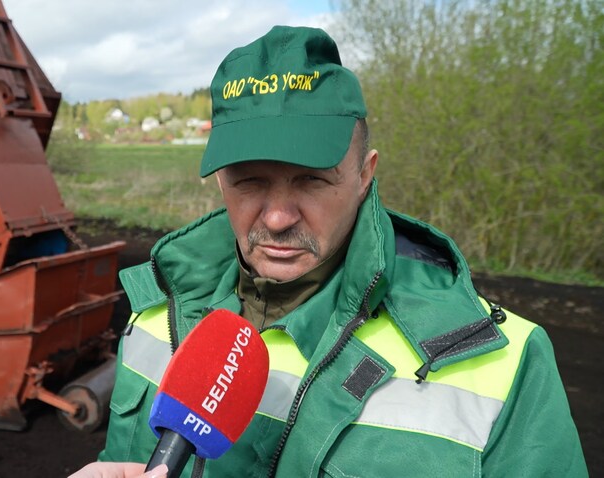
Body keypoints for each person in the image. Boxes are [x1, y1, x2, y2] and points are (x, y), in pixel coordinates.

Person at [72, 25, 587, 477]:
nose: (276, 218)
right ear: (220, 182)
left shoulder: (504, 364)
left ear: (366, 174)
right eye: (249, 182)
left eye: (312, 182)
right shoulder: (156, 310)